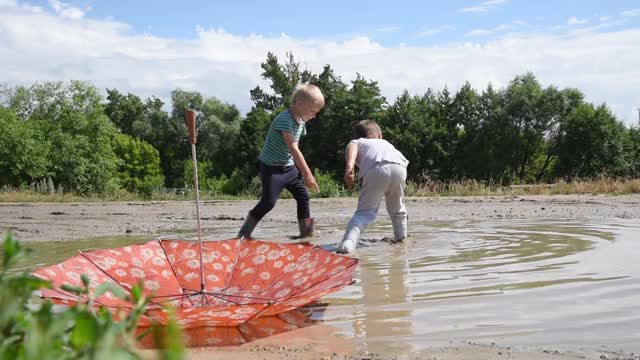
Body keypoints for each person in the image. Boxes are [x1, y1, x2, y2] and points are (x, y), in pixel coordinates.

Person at [237, 83, 325, 239]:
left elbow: (293, 150)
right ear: (299, 104)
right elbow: (293, 148)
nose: (314, 115)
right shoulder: (284, 119)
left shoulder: (301, 121)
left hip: (289, 168)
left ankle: (306, 233)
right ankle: (243, 234)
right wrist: (307, 174)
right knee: (268, 203)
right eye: (312, 111)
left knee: (303, 196)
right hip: (272, 169)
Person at [336, 120, 409, 254]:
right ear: (380, 135)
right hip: (400, 168)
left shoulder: (359, 142)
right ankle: (401, 238)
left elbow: (352, 147)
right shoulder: (387, 143)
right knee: (397, 207)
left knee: (364, 213)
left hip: (375, 170)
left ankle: (348, 244)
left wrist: (349, 167)